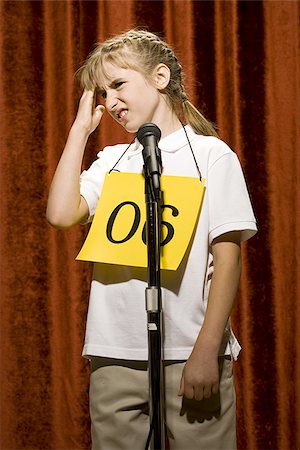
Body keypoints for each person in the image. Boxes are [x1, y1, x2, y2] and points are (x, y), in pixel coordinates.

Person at [46, 29, 257, 450]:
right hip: (115, 351)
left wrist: (207, 350)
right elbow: (61, 214)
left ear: (160, 77)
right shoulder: (111, 161)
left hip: (189, 350)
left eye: (119, 84)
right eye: (102, 92)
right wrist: (79, 131)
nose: (110, 101)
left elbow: (227, 259)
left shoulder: (213, 156)